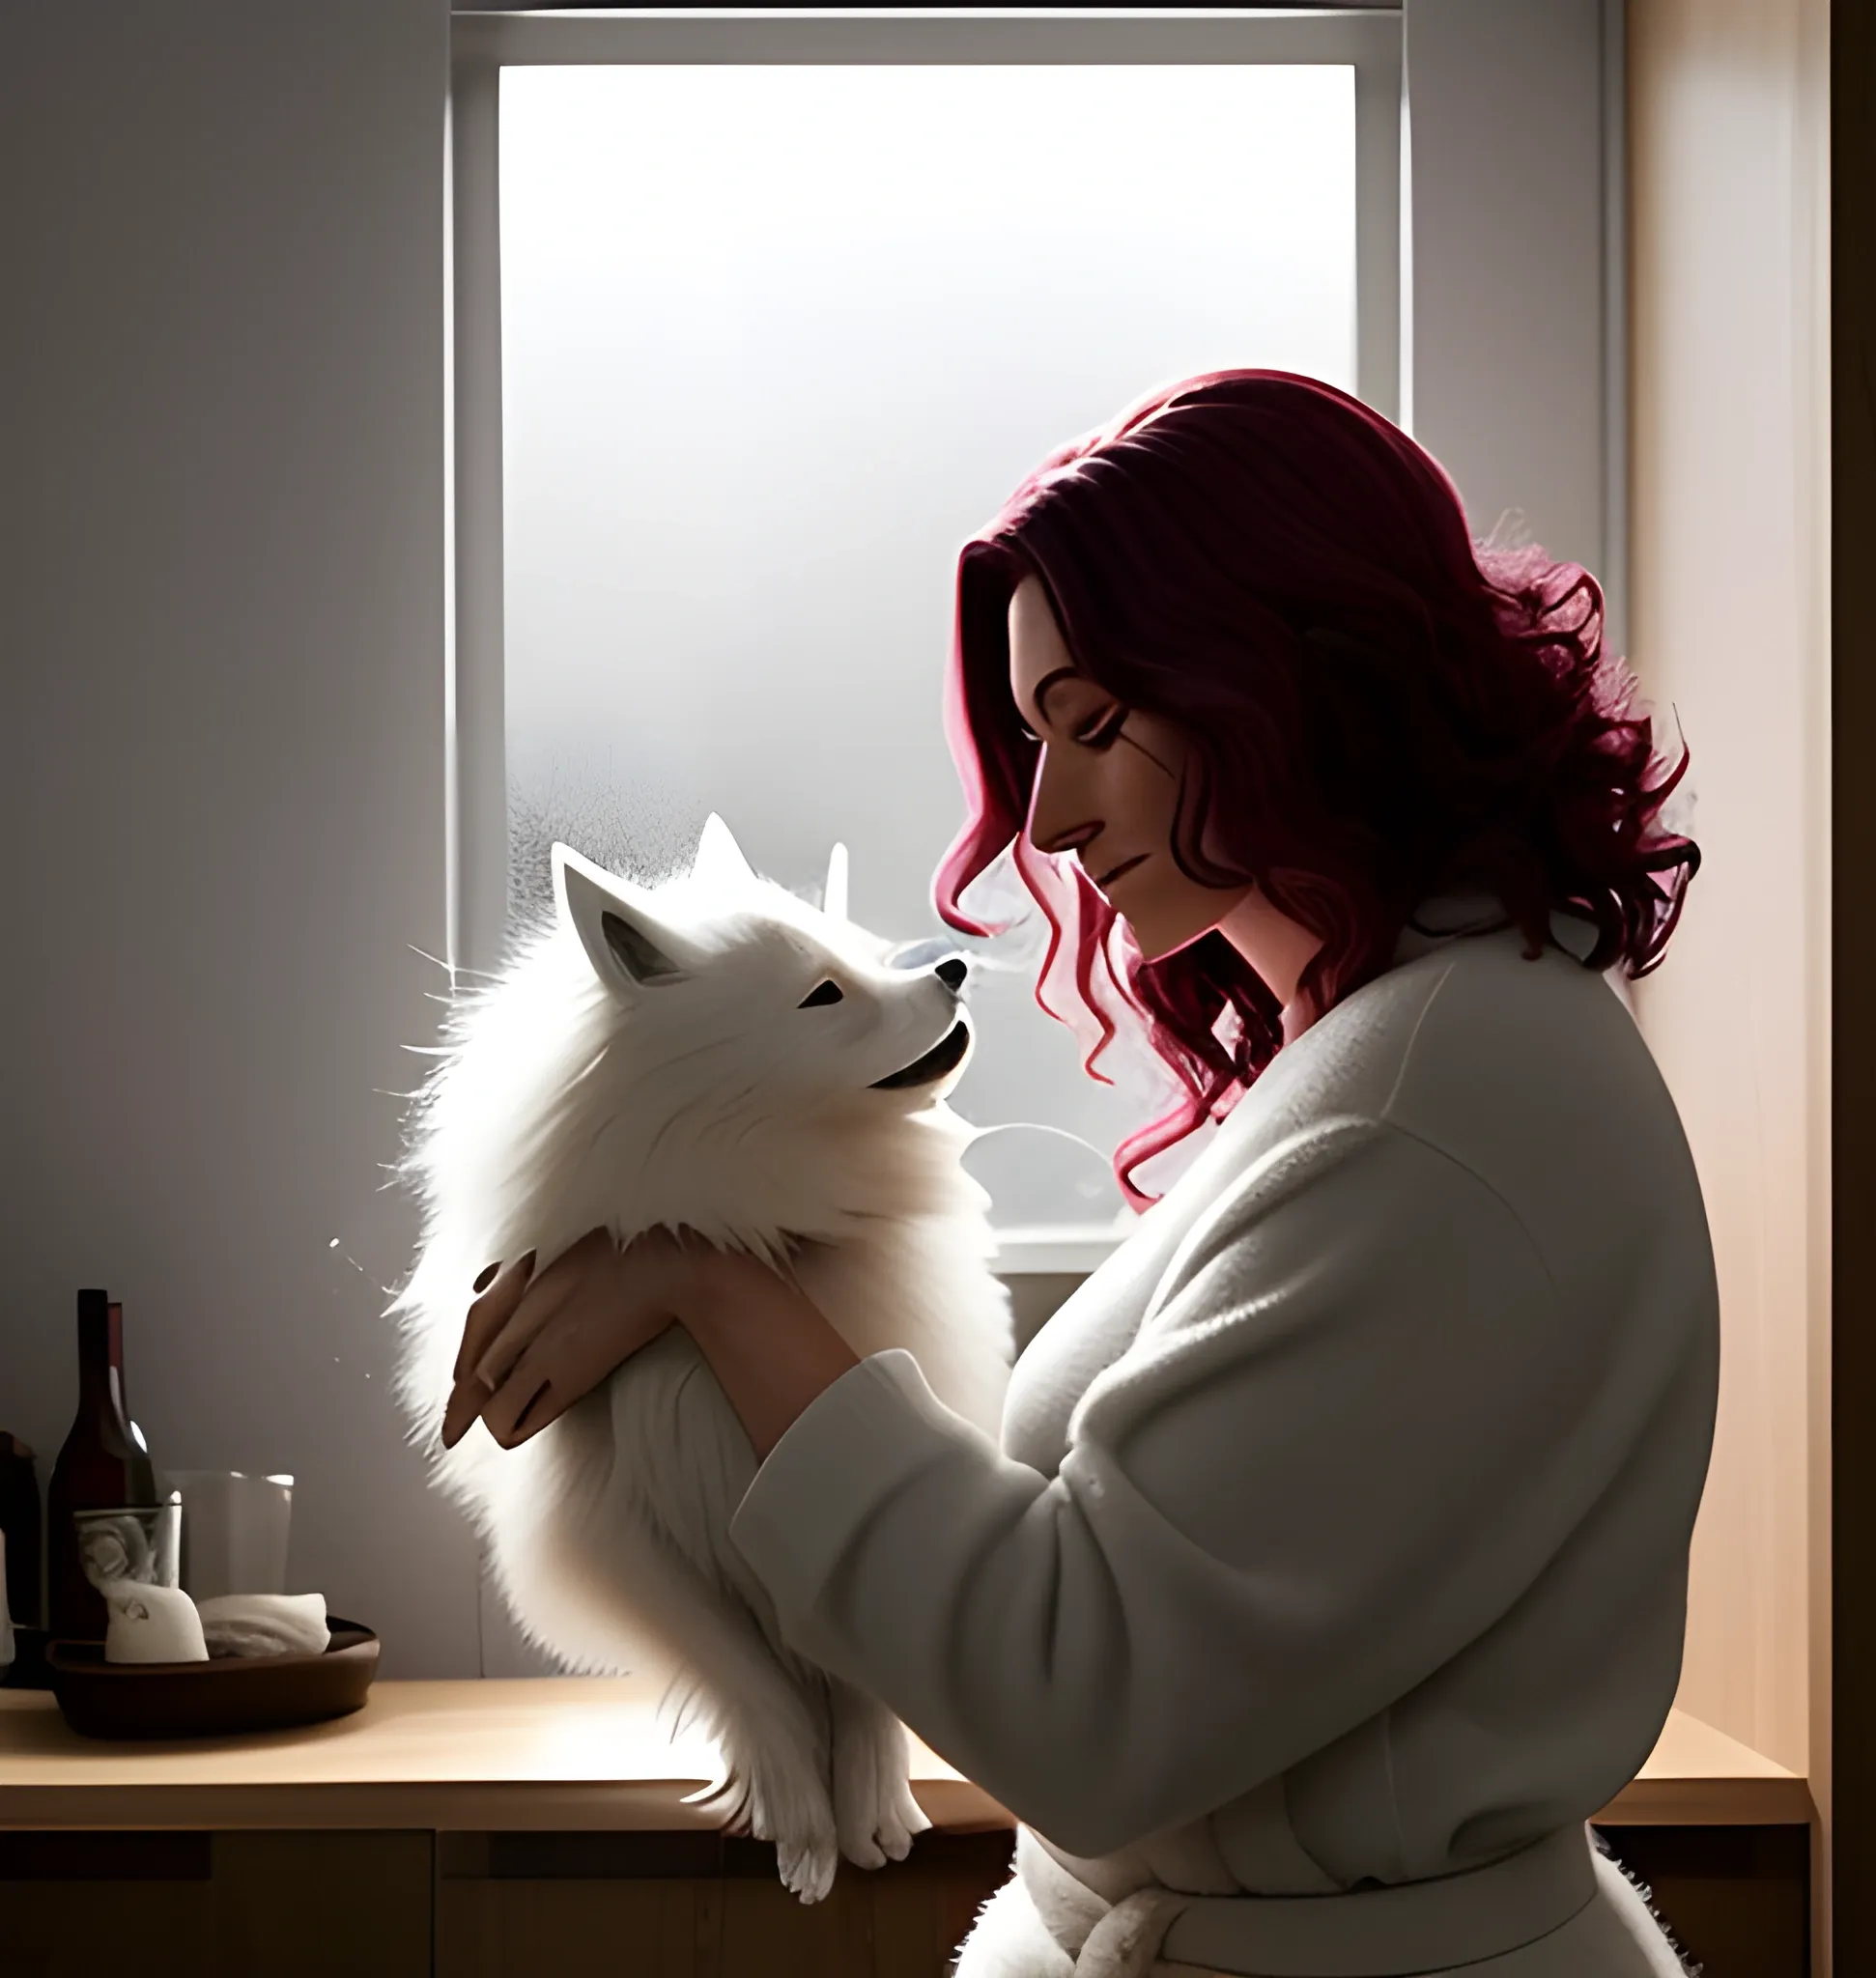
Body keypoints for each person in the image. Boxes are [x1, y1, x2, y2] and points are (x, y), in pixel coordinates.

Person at [444, 369, 1718, 1978]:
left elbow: (1089, 1707)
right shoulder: (1391, 1057)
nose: (1044, 819)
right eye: (1035, 737)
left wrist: (712, 1284)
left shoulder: (1437, 1113)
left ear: (1291, 677)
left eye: (1095, 726)